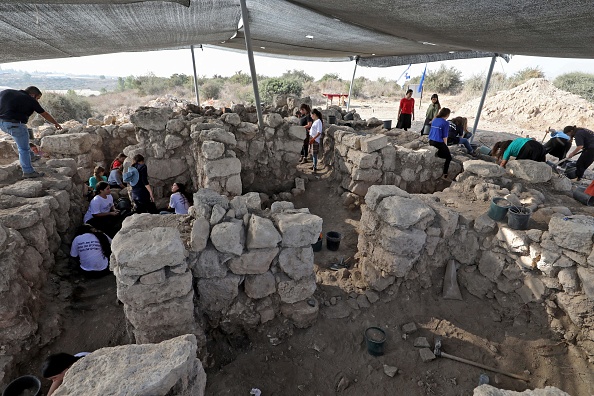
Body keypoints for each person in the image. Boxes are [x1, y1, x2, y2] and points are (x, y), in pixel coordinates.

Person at [0, 86, 62, 178]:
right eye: (37, 98)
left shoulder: (6, 92)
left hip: (2, 124)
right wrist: (56, 123)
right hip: (15, 124)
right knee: (23, 149)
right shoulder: (30, 99)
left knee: (24, 137)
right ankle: (28, 171)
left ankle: (31, 156)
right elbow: (44, 114)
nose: (37, 101)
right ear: (33, 95)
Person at [428, 107, 452, 180]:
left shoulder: (435, 119)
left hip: (431, 140)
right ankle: (445, 174)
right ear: (447, 115)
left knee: (441, 153)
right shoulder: (446, 123)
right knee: (449, 157)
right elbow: (445, 136)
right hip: (438, 142)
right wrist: (446, 146)